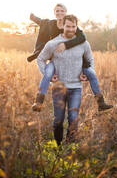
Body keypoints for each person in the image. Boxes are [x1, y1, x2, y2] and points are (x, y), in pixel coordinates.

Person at [29, 4, 112, 112]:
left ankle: (101, 103)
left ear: (66, 12)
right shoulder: (50, 24)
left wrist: (66, 45)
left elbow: (82, 37)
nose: (60, 13)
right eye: (57, 11)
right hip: (56, 59)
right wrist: (32, 17)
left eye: (62, 11)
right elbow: (41, 22)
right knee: (48, 73)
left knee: (91, 73)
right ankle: (38, 102)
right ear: (54, 12)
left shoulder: (71, 25)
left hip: (74, 58)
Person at [37, 14, 93, 144]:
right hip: (59, 88)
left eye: (73, 27)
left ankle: (69, 146)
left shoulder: (84, 44)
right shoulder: (53, 43)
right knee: (58, 120)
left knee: (73, 118)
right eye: (68, 26)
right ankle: (58, 147)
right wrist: (48, 76)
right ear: (63, 26)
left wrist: (87, 74)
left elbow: (90, 59)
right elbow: (40, 59)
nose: (71, 29)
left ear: (76, 27)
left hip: (76, 88)